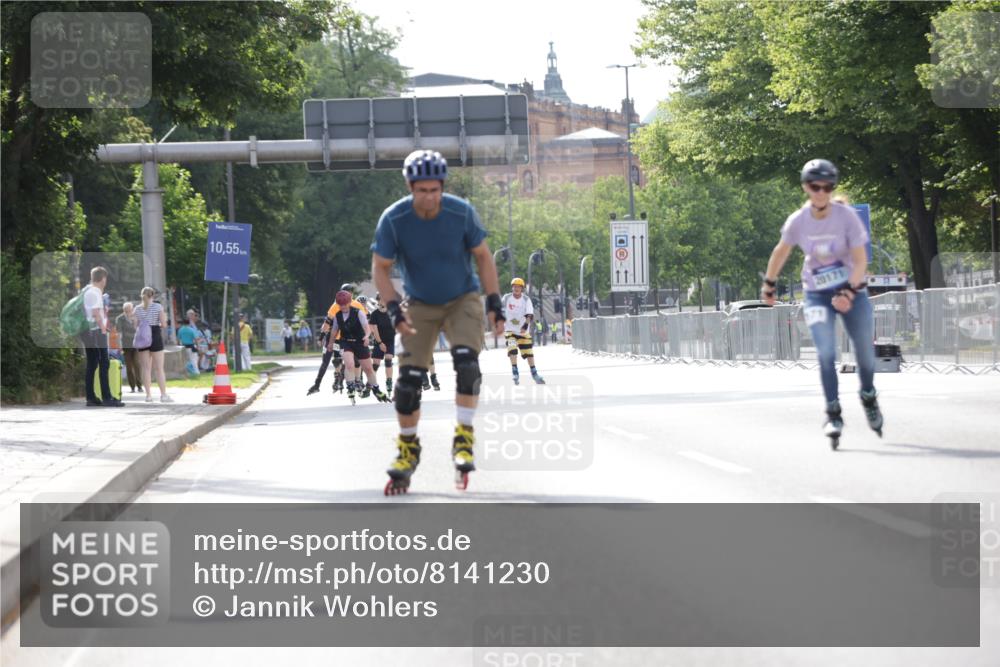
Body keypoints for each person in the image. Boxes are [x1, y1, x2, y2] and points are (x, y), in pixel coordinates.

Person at [372, 149, 505, 494]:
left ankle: (463, 437)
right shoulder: (394, 219)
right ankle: (407, 448)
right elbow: (380, 268)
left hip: (461, 298)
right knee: (408, 383)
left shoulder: (461, 213)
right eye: (422, 190)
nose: (429, 197)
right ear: (410, 186)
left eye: (434, 190)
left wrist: (494, 302)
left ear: (442, 187)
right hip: (419, 303)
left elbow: (484, 257)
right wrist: (392, 308)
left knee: (467, 366)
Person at [761, 159, 883, 446]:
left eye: (827, 187)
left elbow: (861, 260)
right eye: (815, 187)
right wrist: (769, 283)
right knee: (825, 352)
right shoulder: (798, 221)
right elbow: (781, 252)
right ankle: (833, 413)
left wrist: (849, 293)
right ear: (806, 187)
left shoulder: (846, 217)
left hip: (851, 288)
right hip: (816, 292)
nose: (821, 192)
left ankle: (868, 396)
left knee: (865, 353)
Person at [322, 290, 388, 403]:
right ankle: (350, 387)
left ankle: (376, 389)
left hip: (360, 341)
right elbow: (334, 330)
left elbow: (366, 327)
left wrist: (367, 336)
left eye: (345, 304)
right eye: (340, 305)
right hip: (345, 342)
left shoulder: (358, 312)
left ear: (349, 303)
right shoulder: (337, 315)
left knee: (368, 368)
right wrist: (330, 342)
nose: (343, 307)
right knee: (349, 364)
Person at [79, 266, 123, 407]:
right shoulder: (95, 292)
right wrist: (104, 329)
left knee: (92, 363)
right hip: (96, 331)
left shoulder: (86, 290)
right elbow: (96, 313)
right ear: (103, 278)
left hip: (86, 330)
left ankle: (91, 397)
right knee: (104, 362)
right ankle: (107, 398)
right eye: (106, 279)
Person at [502, 277, 545, 385]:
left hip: (522, 332)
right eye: (514, 286)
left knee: (529, 353)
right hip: (510, 331)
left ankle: (534, 373)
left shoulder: (526, 300)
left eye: (519, 287)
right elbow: (501, 310)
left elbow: (529, 314)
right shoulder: (507, 298)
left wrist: (525, 325)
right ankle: (515, 371)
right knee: (512, 350)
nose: (516, 289)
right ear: (512, 288)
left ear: (522, 288)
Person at [134, 286, 172, 403]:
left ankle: (148, 396)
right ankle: (163, 395)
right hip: (155, 335)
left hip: (143, 337)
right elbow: (164, 324)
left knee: (145, 368)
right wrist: (157, 326)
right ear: (153, 295)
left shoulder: (137, 308)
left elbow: (135, 326)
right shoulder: (158, 307)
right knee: (159, 368)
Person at [369, 293, 397, 397]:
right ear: (378, 300)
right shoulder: (375, 314)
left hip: (390, 341)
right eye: (382, 299)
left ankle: (389, 382)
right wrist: (380, 343)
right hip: (379, 341)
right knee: (375, 364)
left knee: (388, 360)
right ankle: (370, 384)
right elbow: (374, 331)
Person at [115, 301, 140, 393]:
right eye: (127, 310)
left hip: (136, 344)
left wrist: (135, 323)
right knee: (129, 367)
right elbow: (119, 333)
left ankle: (139, 385)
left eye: (130, 310)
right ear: (124, 310)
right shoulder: (120, 319)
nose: (129, 312)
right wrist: (119, 346)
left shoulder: (136, 317)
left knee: (137, 364)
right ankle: (132, 386)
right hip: (126, 345)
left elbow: (139, 330)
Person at [177, 309, 201, 376]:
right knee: (194, 360)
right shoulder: (191, 330)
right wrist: (198, 347)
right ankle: (196, 373)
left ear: (183, 323)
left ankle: (188, 373)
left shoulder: (180, 330)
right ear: (189, 323)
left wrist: (179, 346)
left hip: (184, 347)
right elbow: (196, 339)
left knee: (186, 361)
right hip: (191, 347)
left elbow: (178, 340)